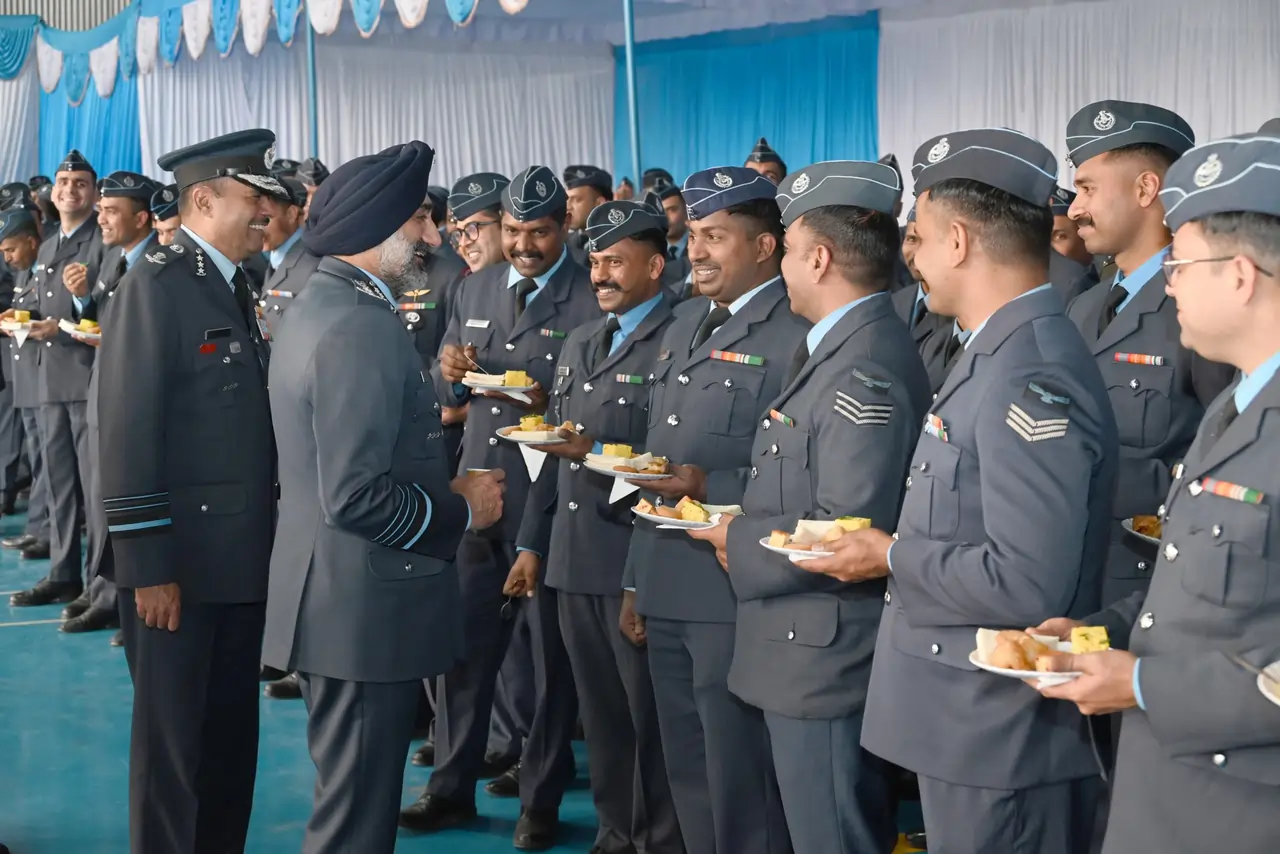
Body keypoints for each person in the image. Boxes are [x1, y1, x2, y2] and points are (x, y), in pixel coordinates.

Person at [800, 128, 1119, 854]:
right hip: (968, 729)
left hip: (998, 739)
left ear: (959, 241)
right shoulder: (995, 350)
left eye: (919, 234)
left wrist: (891, 554)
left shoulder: (1028, 371)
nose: (908, 255)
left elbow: (1026, 580)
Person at [1034, 131, 1280, 854]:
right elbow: (1196, 590)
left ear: (1239, 275)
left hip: (1239, 810)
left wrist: (1140, 687)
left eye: (1181, 264)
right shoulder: (1236, 407)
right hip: (1167, 796)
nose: (1166, 282)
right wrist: (1099, 636)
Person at [263, 140, 505, 854]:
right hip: (361, 609)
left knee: (351, 802)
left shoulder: (318, 304)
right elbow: (358, 495)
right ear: (380, 230)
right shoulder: (358, 326)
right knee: (354, 824)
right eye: (421, 223)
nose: (433, 238)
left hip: (335, 596)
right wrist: (463, 508)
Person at [689, 160, 931, 854]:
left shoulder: (863, 367)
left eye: (789, 251)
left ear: (818, 258)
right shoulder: (841, 347)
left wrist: (736, 536)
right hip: (798, 650)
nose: (783, 268)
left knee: (832, 834)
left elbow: (845, 527)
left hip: (822, 659)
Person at [401, 165, 598, 851]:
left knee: (548, 661)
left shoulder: (587, 299)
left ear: (564, 229)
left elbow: (597, 412)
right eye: (512, 231)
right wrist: (448, 369)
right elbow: (442, 389)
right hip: (477, 495)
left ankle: (539, 798)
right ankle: (450, 787)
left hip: (547, 503)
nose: (523, 245)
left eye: (538, 233)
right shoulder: (475, 285)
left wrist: (548, 404)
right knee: (460, 649)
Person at [96, 128, 283, 854]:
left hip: (236, 561)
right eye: (252, 199)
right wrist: (148, 567)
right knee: (174, 758)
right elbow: (125, 430)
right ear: (203, 200)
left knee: (229, 745)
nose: (265, 212)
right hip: (178, 570)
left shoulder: (235, 283)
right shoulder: (157, 285)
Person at [622, 165, 807, 854]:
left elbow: (801, 472)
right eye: (693, 235)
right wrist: (637, 580)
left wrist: (714, 480)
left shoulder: (795, 334)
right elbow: (651, 461)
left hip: (735, 592)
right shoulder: (684, 323)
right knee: (688, 773)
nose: (695, 251)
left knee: (742, 781)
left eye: (715, 237)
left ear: (764, 247)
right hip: (668, 582)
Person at [518, 199, 685, 854]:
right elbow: (548, 461)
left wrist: (591, 452)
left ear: (655, 263)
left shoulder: (680, 338)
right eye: (594, 261)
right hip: (571, 559)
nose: (600, 274)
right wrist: (532, 543)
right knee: (604, 720)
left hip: (633, 559)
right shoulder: (586, 338)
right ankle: (617, 833)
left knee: (651, 720)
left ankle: (660, 840)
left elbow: (673, 465)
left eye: (616, 261)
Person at [1060, 101, 1235, 618]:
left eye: (1088, 189)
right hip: (1071, 580)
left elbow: (1225, 457)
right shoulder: (1084, 304)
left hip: (1149, 589)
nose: (1073, 209)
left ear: (1145, 190)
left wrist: (1086, 473)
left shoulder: (1199, 304)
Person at [65, 171, 159, 636]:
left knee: (132, 506)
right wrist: (83, 301)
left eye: (110, 211)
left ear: (141, 218)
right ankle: (109, 596)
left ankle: (130, 602)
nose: (101, 218)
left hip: (135, 405)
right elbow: (104, 318)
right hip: (106, 393)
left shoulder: (156, 267)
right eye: (100, 210)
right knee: (103, 502)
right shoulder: (115, 263)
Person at [9, 150, 105, 605]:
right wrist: (23, 316)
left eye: (80, 183)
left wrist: (70, 315)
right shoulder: (47, 244)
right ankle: (63, 573)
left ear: (94, 192)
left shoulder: (102, 240)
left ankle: (99, 585)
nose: (69, 190)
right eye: (64, 182)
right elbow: (46, 306)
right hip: (50, 380)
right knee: (59, 486)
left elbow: (101, 309)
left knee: (94, 488)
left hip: (86, 379)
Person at [0, 210, 53, 560]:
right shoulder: (25, 275)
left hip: (45, 378)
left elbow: (50, 317)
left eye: (11, 250)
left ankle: (47, 532)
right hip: (25, 378)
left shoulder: (46, 274)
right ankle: (37, 528)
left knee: (49, 462)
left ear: (32, 242)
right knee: (39, 460)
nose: (7, 258)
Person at [257, 177, 317, 345]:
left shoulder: (312, 265)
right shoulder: (277, 259)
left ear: (291, 214)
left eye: (266, 218)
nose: (258, 227)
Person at [564, 165, 613, 265]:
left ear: (599, 204)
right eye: (567, 200)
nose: (568, 207)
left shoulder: (616, 243)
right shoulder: (564, 242)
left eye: (576, 200)